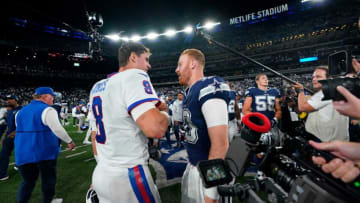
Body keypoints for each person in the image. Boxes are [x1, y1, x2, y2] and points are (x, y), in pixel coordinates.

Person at [90, 42, 168, 202]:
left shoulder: (97, 87)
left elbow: (93, 134)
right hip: (128, 175)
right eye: (146, 59)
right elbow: (156, 129)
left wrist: (104, 165)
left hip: (102, 172)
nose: (149, 65)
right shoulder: (133, 76)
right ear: (133, 57)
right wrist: (166, 114)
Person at [175, 48, 230, 203]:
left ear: (193, 63)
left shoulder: (209, 86)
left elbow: (220, 145)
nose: (176, 69)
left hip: (209, 172)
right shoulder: (188, 92)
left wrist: (211, 193)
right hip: (193, 166)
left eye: (180, 64)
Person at [15, 87, 75, 203]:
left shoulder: (20, 111)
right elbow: (58, 129)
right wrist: (69, 141)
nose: (53, 99)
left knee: (27, 182)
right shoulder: (48, 110)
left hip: (23, 152)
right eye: (52, 96)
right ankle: (49, 200)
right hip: (44, 152)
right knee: (48, 179)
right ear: (45, 96)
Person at [293, 66, 349, 142]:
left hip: (330, 143)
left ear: (329, 78)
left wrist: (301, 91)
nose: (314, 79)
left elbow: (302, 107)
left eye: (318, 77)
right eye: (313, 77)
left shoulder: (327, 93)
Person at [0, 95, 22, 181]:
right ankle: (2, 174)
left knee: (21, 153)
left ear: (16, 100)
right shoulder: (8, 112)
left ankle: (20, 166)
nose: (8, 101)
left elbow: (26, 123)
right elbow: (8, 126)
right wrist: (3, 137)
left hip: (20, 136)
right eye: (7, 100)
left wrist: (16, 131)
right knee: (3, 155)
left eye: (10, 99)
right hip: (9, 137)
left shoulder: (22, 110)